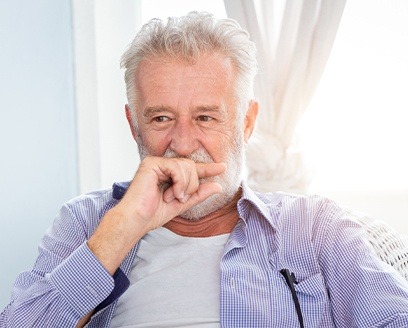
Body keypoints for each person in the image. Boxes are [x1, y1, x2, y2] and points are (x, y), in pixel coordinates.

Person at [1, 11, 408, 328]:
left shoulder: (316, 226)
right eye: (161, 118)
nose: (182, 143)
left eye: (206, 118)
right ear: (133, 125)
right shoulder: (87, 222)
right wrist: (124, 226)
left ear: (246, 123)